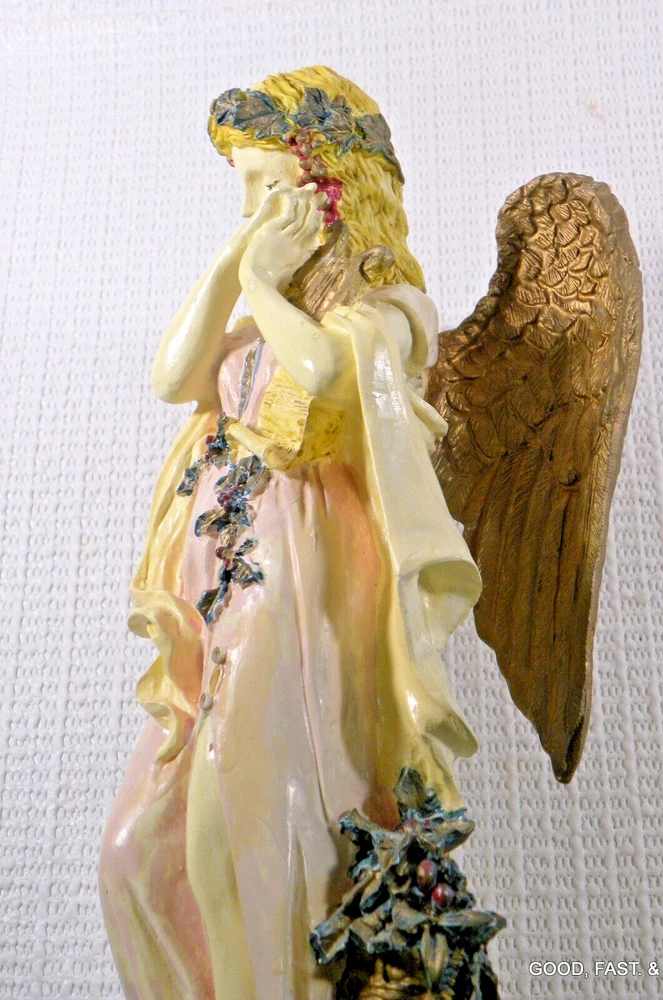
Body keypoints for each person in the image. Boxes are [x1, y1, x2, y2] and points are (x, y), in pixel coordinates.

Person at [99, 65, 481, 1000]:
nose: (250, 209)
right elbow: (174, 375)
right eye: (244, 192)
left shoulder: (389, 309)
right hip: (219, 584)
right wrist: (240, 264)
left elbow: (325, 375)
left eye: (266, 186)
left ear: (330, 188)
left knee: (235, 816)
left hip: (301, 581)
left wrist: (263, 287)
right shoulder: (257, 305)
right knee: (136, 852)